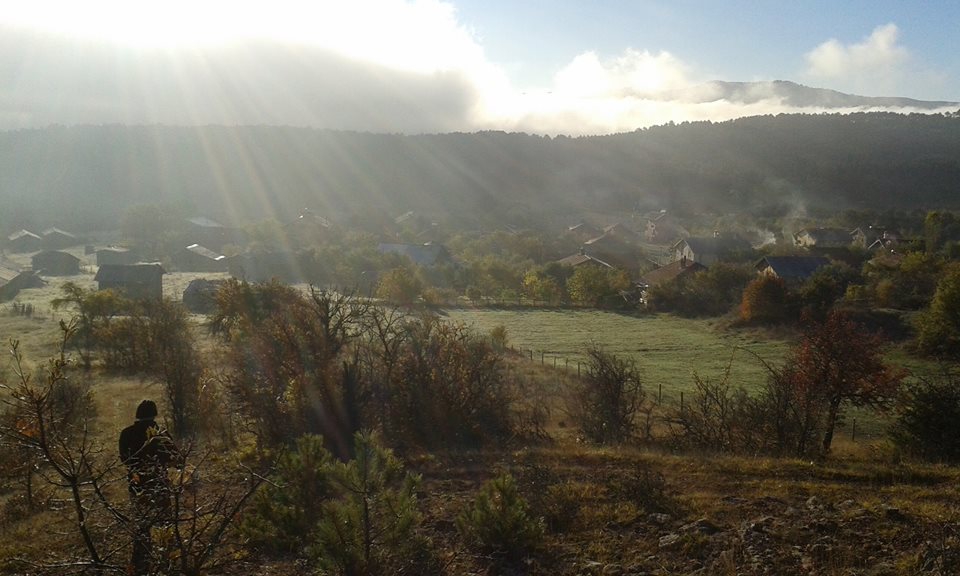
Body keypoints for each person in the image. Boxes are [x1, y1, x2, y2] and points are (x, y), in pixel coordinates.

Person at [119, 400, 182, 576]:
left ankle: (140, 564)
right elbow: (178, 460)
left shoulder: (126, 433)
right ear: (154, 414)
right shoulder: (161, 434)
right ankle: (168, 562)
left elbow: (125, 460)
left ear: (137, 415)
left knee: (142, 527)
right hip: (159, 485)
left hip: (137, 486)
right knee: (165, 525)